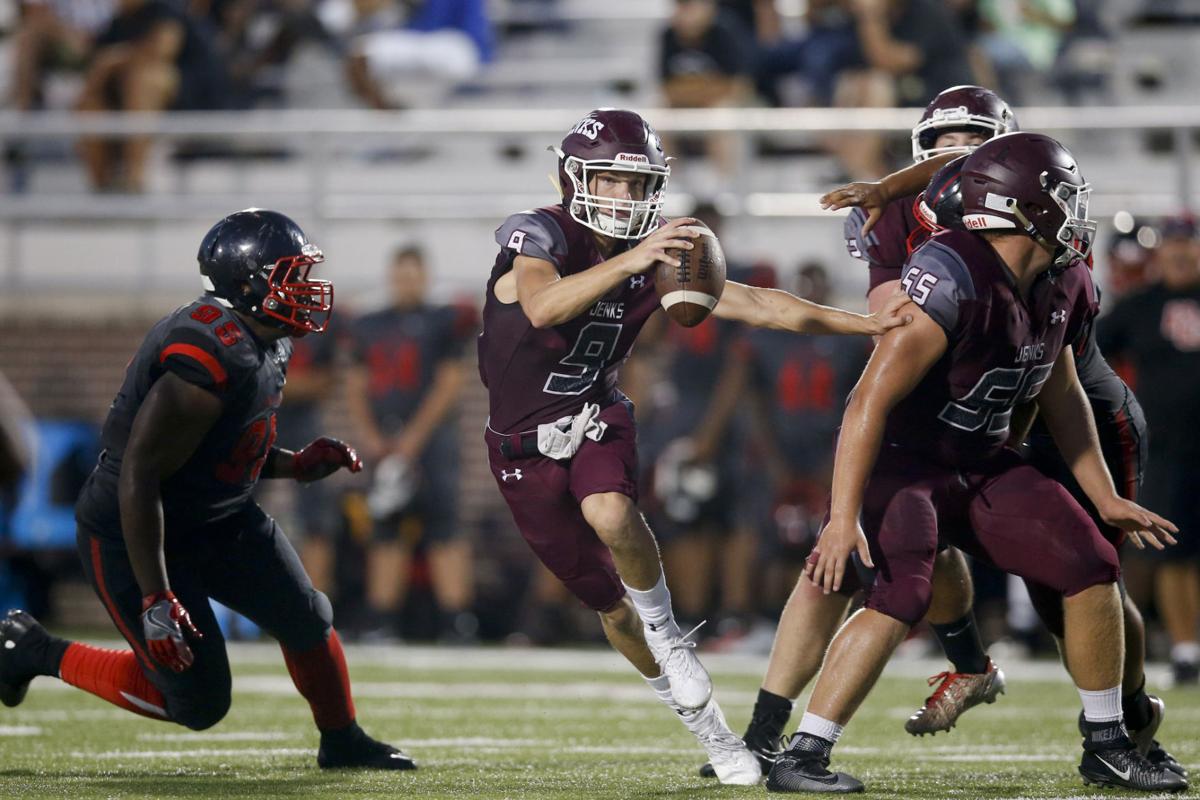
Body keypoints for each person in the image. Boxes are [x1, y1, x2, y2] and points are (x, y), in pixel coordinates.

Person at [478, 108, 914, 785]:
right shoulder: (542, 234)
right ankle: (712, 734)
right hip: (518, 449)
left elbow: (763, 305)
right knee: (606, 606)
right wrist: (634, 260)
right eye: (610, 182)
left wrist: (864, 325)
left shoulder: (653, 255)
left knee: (612, 514)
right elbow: (543, 306)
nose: (624, 198)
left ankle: (670, 631)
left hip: (595, 416)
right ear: (574, 178)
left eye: (635, 184)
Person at [763, 133, 1186, 794]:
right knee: (901, 591)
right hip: (904, 463)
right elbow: (865, 404)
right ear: (1022, 204)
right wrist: (843, 518)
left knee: (1091, 564)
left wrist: (1102, 496)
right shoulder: (952, 273)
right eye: (1063, 195)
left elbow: (1062, 390)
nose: (1075, 210)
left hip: (982, 459)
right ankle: (803, 753)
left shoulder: (1063, 277)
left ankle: (1108, 743)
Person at [0, 209, 413, 770]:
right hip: (135, 527)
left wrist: (295, 465)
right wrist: (155, 596)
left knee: (306, 617)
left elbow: (218, 455)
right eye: (292, 276)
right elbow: (140, 473)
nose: (308, 289)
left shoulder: (266, 338)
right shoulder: (208, 353)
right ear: (248, 285)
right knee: (197, 702)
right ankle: (35, 651)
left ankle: (341, 738)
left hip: (215, 517)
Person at [346, 245, 476, 642]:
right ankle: (382, 619)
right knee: (386, 528)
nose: (407, 283)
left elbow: (450, 382)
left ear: (425, 277)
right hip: (386, 438)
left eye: (414, 274)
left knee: (445, 527)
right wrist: (369, 435)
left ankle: (456, 621)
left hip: (431, 440)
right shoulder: (370, 322)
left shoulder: (440, 320)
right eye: (401, 275)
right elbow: (355, 384)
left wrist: (414, 437)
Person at [1098, 215, 1200, 687]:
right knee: (1174, 552)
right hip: (1168, 448)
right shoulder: (1139, 306)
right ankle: (1186, 649)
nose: (1180, 252)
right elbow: (1086, 356)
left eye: (1189, 244)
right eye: (1173, 244)